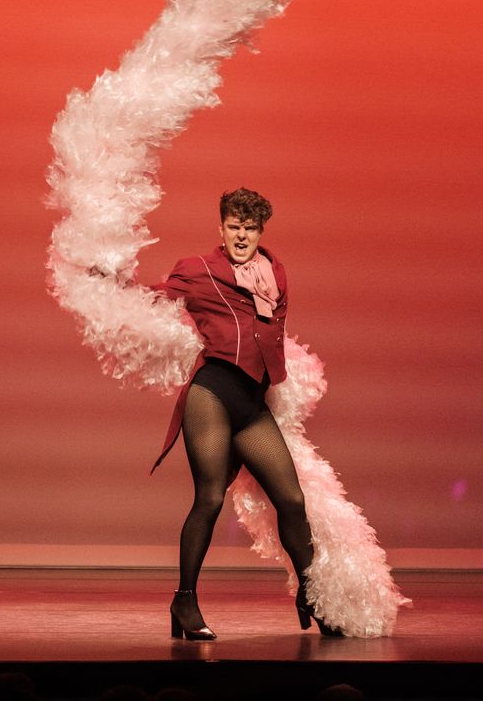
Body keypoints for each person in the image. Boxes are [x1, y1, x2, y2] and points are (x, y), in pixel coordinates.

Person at [153, 187, 336, 639]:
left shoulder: (275, 274)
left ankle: (312, 595)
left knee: (292, 500)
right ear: (221, 228)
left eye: (249, 228)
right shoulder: (197, 270)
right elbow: (152, 297)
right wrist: (109, 282)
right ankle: (184, 602)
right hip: (212, 394)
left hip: (252, 404)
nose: (241, 235)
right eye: (234, 226)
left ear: (260, 232)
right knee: (210, 498)